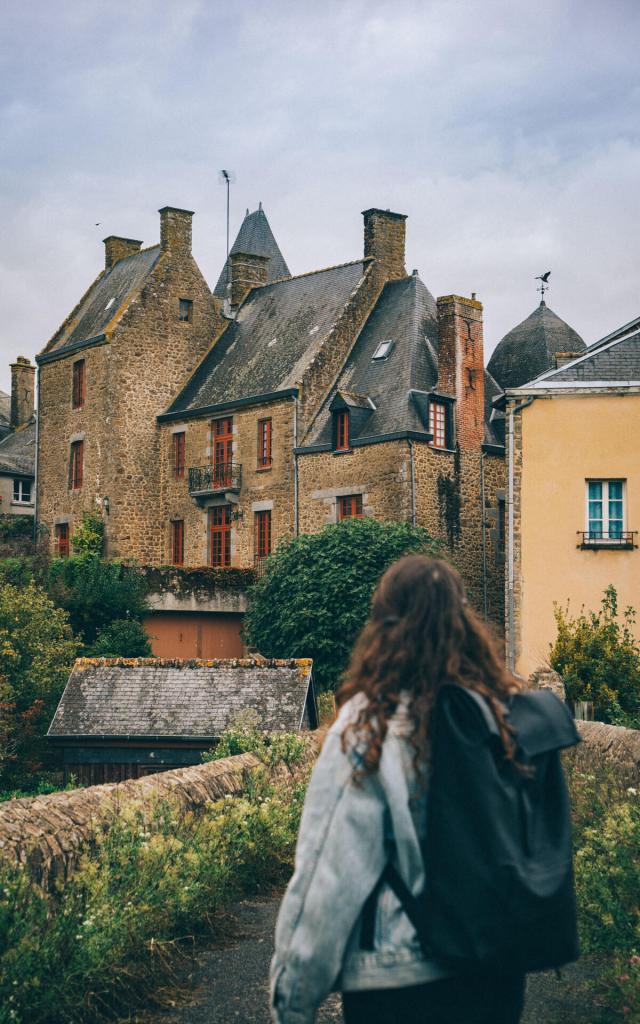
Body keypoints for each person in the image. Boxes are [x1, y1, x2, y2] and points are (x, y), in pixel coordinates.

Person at [270, 554, 527, 1024]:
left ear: (382, 628)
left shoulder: (369, 725)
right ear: (464, 624)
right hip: (495, 976)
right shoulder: (502, 716)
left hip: (400, 981)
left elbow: (328, 877)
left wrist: (293, 1001)